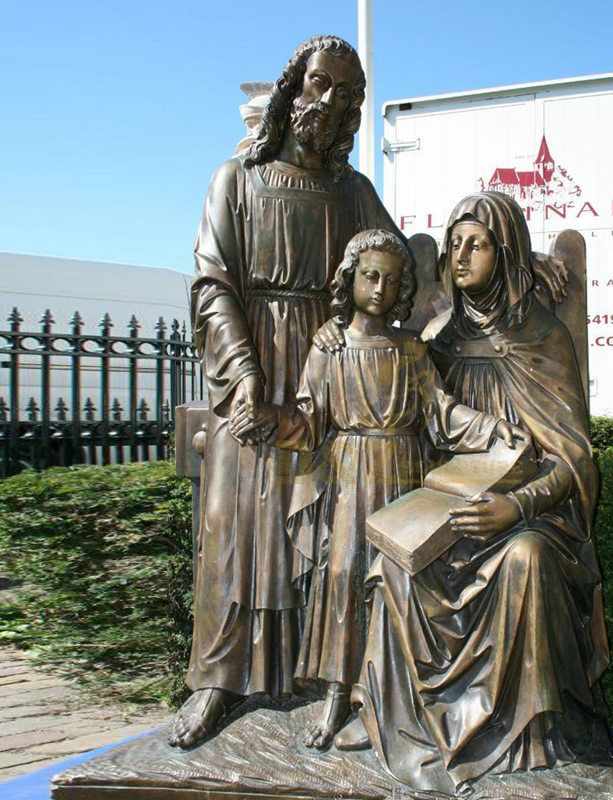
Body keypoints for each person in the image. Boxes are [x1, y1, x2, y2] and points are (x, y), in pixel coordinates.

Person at [335, 192, 613, 794]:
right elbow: (423, 418)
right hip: (453, 514)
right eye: (455, 244)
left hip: (531, 517)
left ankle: (524, 741)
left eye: (477, 245)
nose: (460, 257)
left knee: (527, 560)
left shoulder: (542, 338)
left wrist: (517, 507)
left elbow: (573, 458)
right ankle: (395, 721)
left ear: (504, 252)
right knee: (394, 566)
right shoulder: (437, 340)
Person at [169, 36, 402, 749]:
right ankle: (218, 680)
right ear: (290, 89)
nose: (325, 103)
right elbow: (213, 283)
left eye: (343, 94)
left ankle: (316, 681)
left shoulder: (355, 192)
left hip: (332, 375)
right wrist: (242, 374)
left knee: (325, 529)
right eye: (317, 84)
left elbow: (403, 268)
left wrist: (515, 271)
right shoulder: (236, 181)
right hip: (255, 363)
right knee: (236, 527)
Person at [228, 229, 527, 750]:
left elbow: (443, 413)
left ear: (403, 288)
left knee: (395, 581)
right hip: (349, 474)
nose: (380, 289)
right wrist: (270, 422)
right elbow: (309, 418)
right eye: (370, 276)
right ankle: (336, 695)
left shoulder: (412, 350)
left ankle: (385, 699)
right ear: (350, 279)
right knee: (343, 577)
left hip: (403, 472)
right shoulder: (330, 347)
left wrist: (490, 428)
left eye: (392, 280)